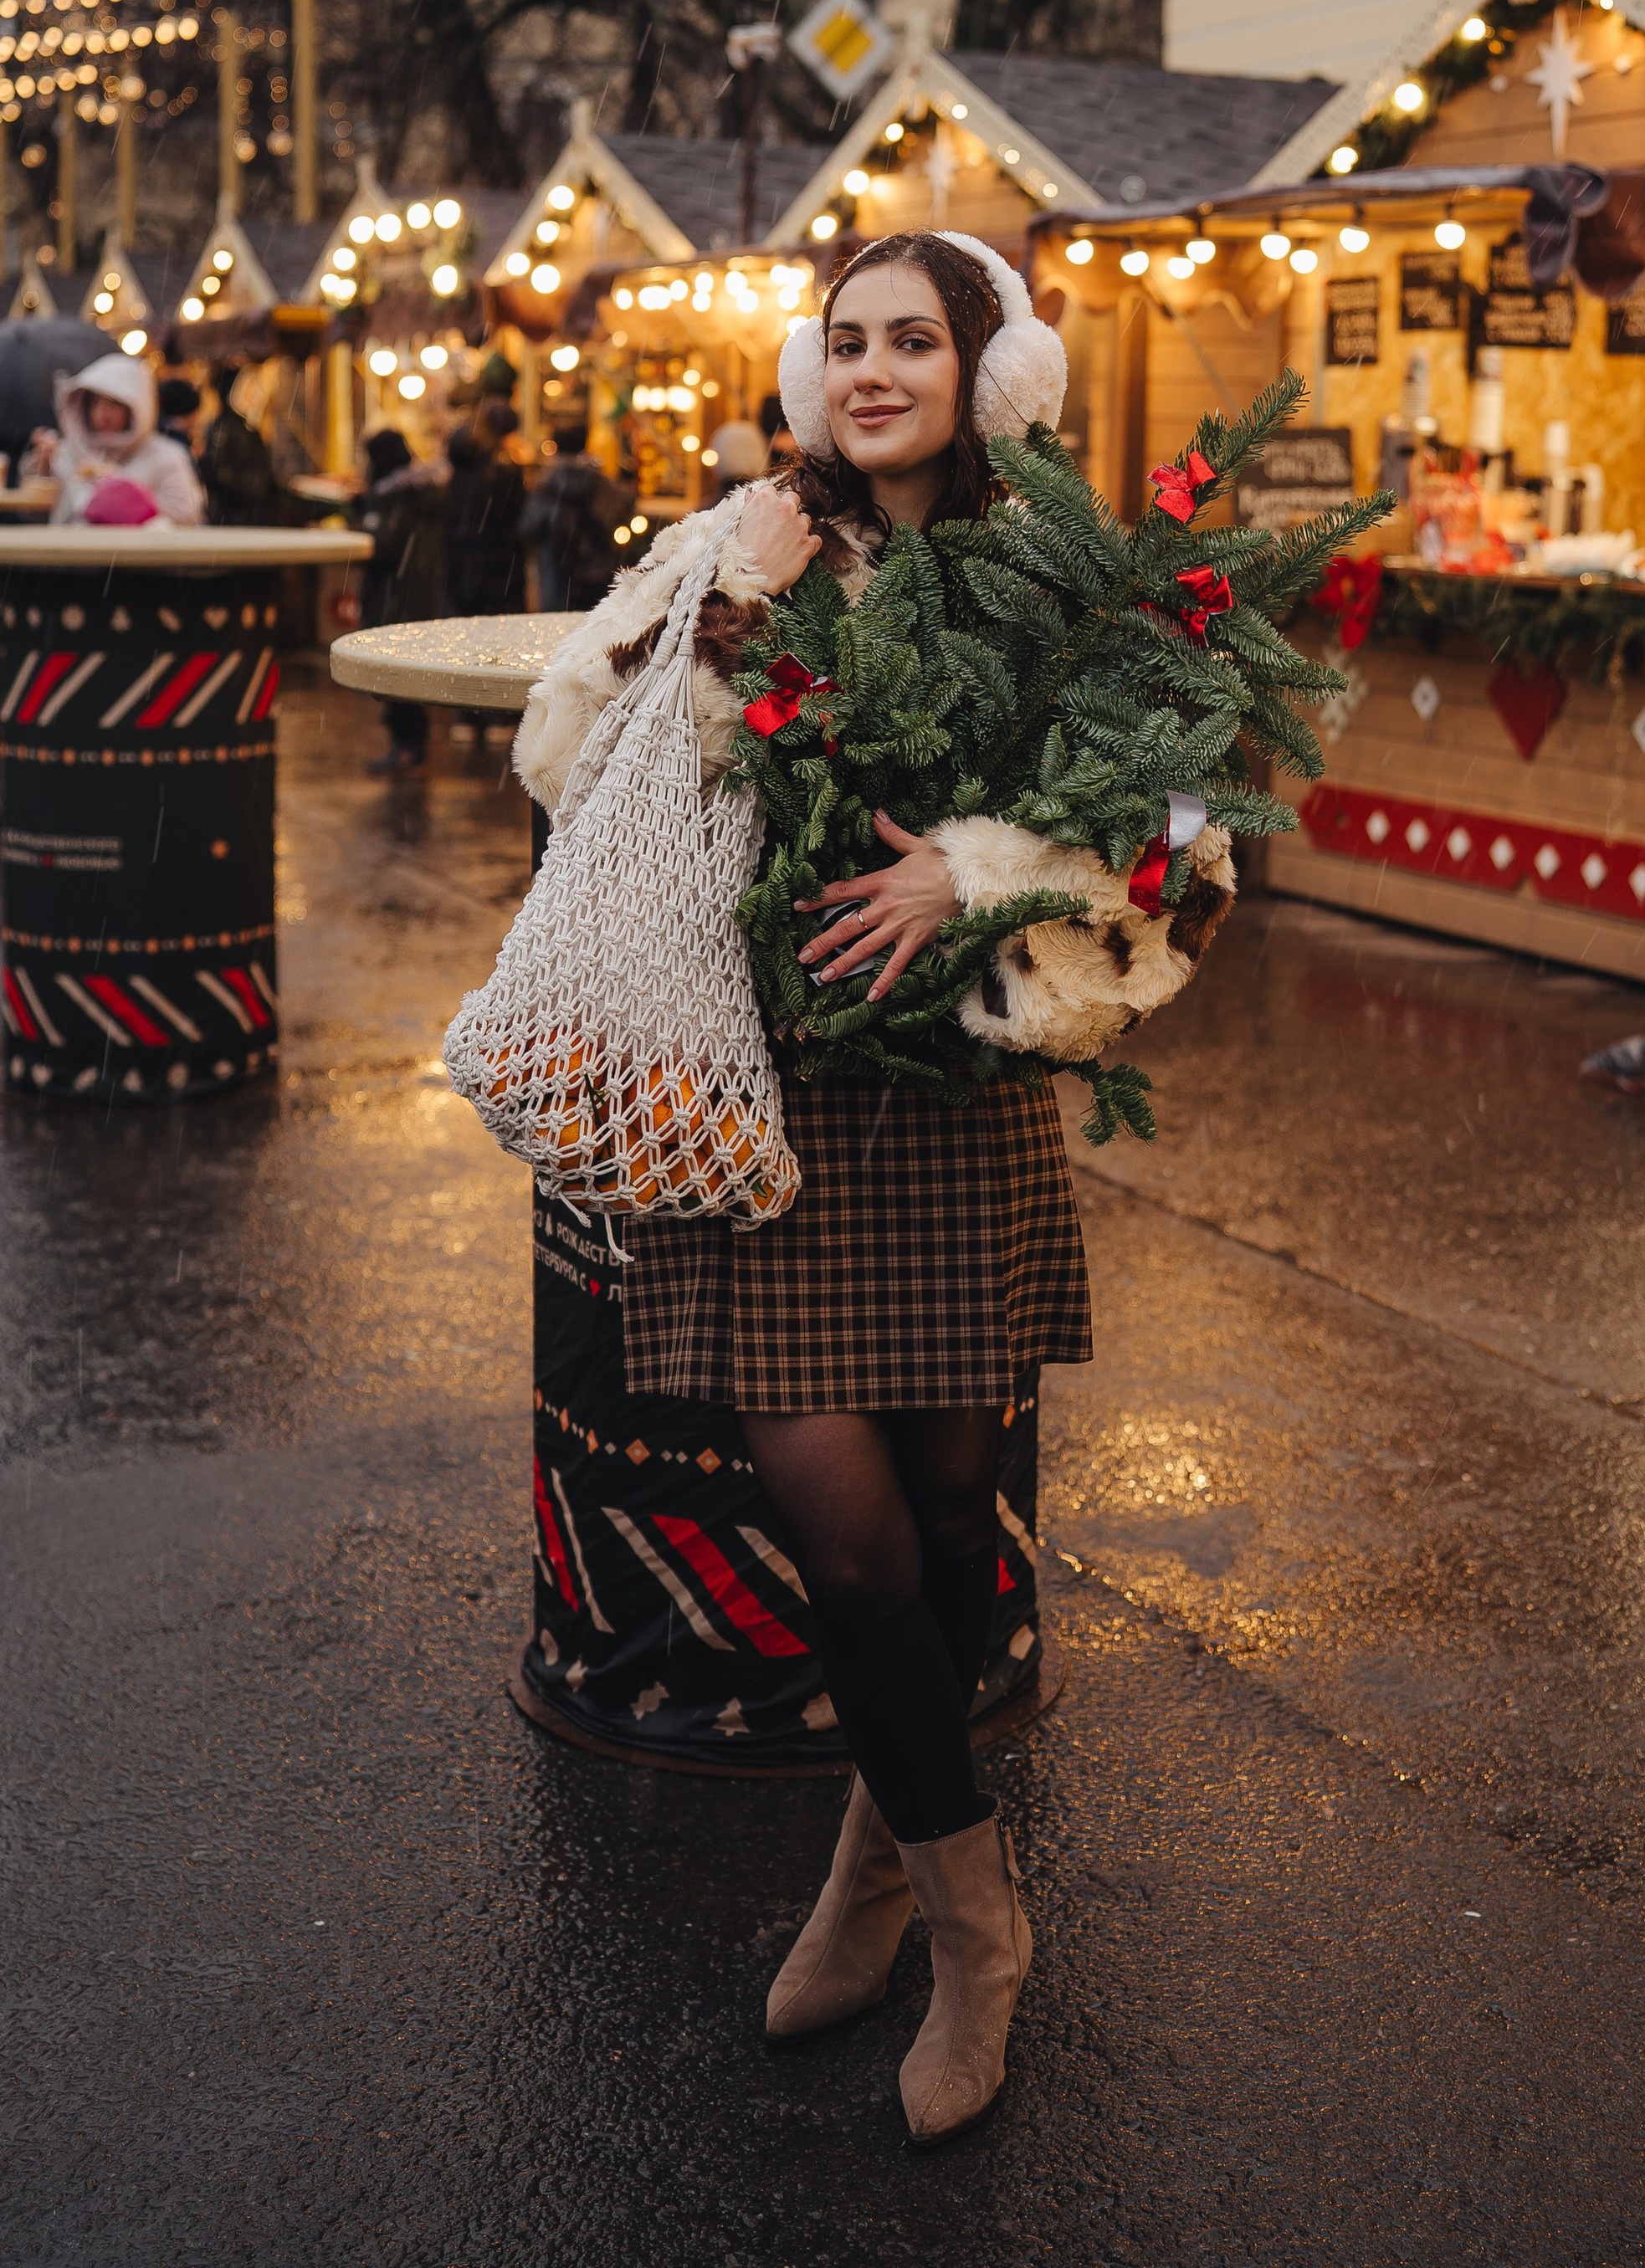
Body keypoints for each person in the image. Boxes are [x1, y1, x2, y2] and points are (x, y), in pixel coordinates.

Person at [513, 233, 1239, 2146]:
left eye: (916, 338)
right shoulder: (737, 540)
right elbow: (568, 760)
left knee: (937, 1517)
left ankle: (869, 1871)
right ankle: (978, 1928)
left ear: (993, 371)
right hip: (763, 1100)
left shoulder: (1063, 573)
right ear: (804, 366)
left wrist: (976, 869)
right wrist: (717, 609)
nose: (872, 369)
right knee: (845, 1542)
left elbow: (1189, 829)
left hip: (952, 1110)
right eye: (845, 339)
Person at [354, 424, 447, 772]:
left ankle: (406, 745)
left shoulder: (391, 495)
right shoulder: (422, 490)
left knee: (394, 674)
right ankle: (412, 743)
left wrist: (359, 517)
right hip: (417, 592)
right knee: (408, 672)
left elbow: (380, 546)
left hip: (394, 596)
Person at [23, 350, 207, 525]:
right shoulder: (66, 452)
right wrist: (42, 465)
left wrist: (128, 508)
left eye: (113, 404)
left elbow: (186, 515)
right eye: (95, 403)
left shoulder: (166, 456)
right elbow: (33, 514)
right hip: (69, 547)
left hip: (135, 547)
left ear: (136, 406)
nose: (103, 414)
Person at [442, 399, 529, 747]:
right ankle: (498, 714)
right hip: (499, 565)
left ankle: (466, 715)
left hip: (460, 565)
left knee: (466, 638)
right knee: (500, 638)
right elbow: (517, 519)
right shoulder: (506, 471)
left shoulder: (456, 470)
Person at [520, 416, 633, 611]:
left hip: (556, 575)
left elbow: (528, 526)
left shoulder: (547, 483)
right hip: (595, 573)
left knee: (556, 622)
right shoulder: (598, 481)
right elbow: (624, 504)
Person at [197, 366, 281, 529]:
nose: (254, 394)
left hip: (254, 515)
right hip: (235, 517)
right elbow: (218, 471)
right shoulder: (225, 428)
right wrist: (252, 486)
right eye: (248, 388)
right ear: (235, 392)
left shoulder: (249, 428)